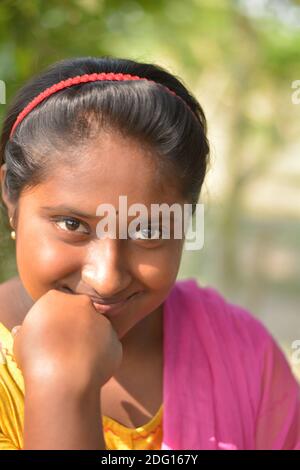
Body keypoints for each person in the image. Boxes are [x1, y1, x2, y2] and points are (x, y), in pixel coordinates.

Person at [0, 56, 299, 450]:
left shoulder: (245, 358)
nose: (106, 277)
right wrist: (61, 386)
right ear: (10, 196)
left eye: (148, 230)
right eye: (72, 225)